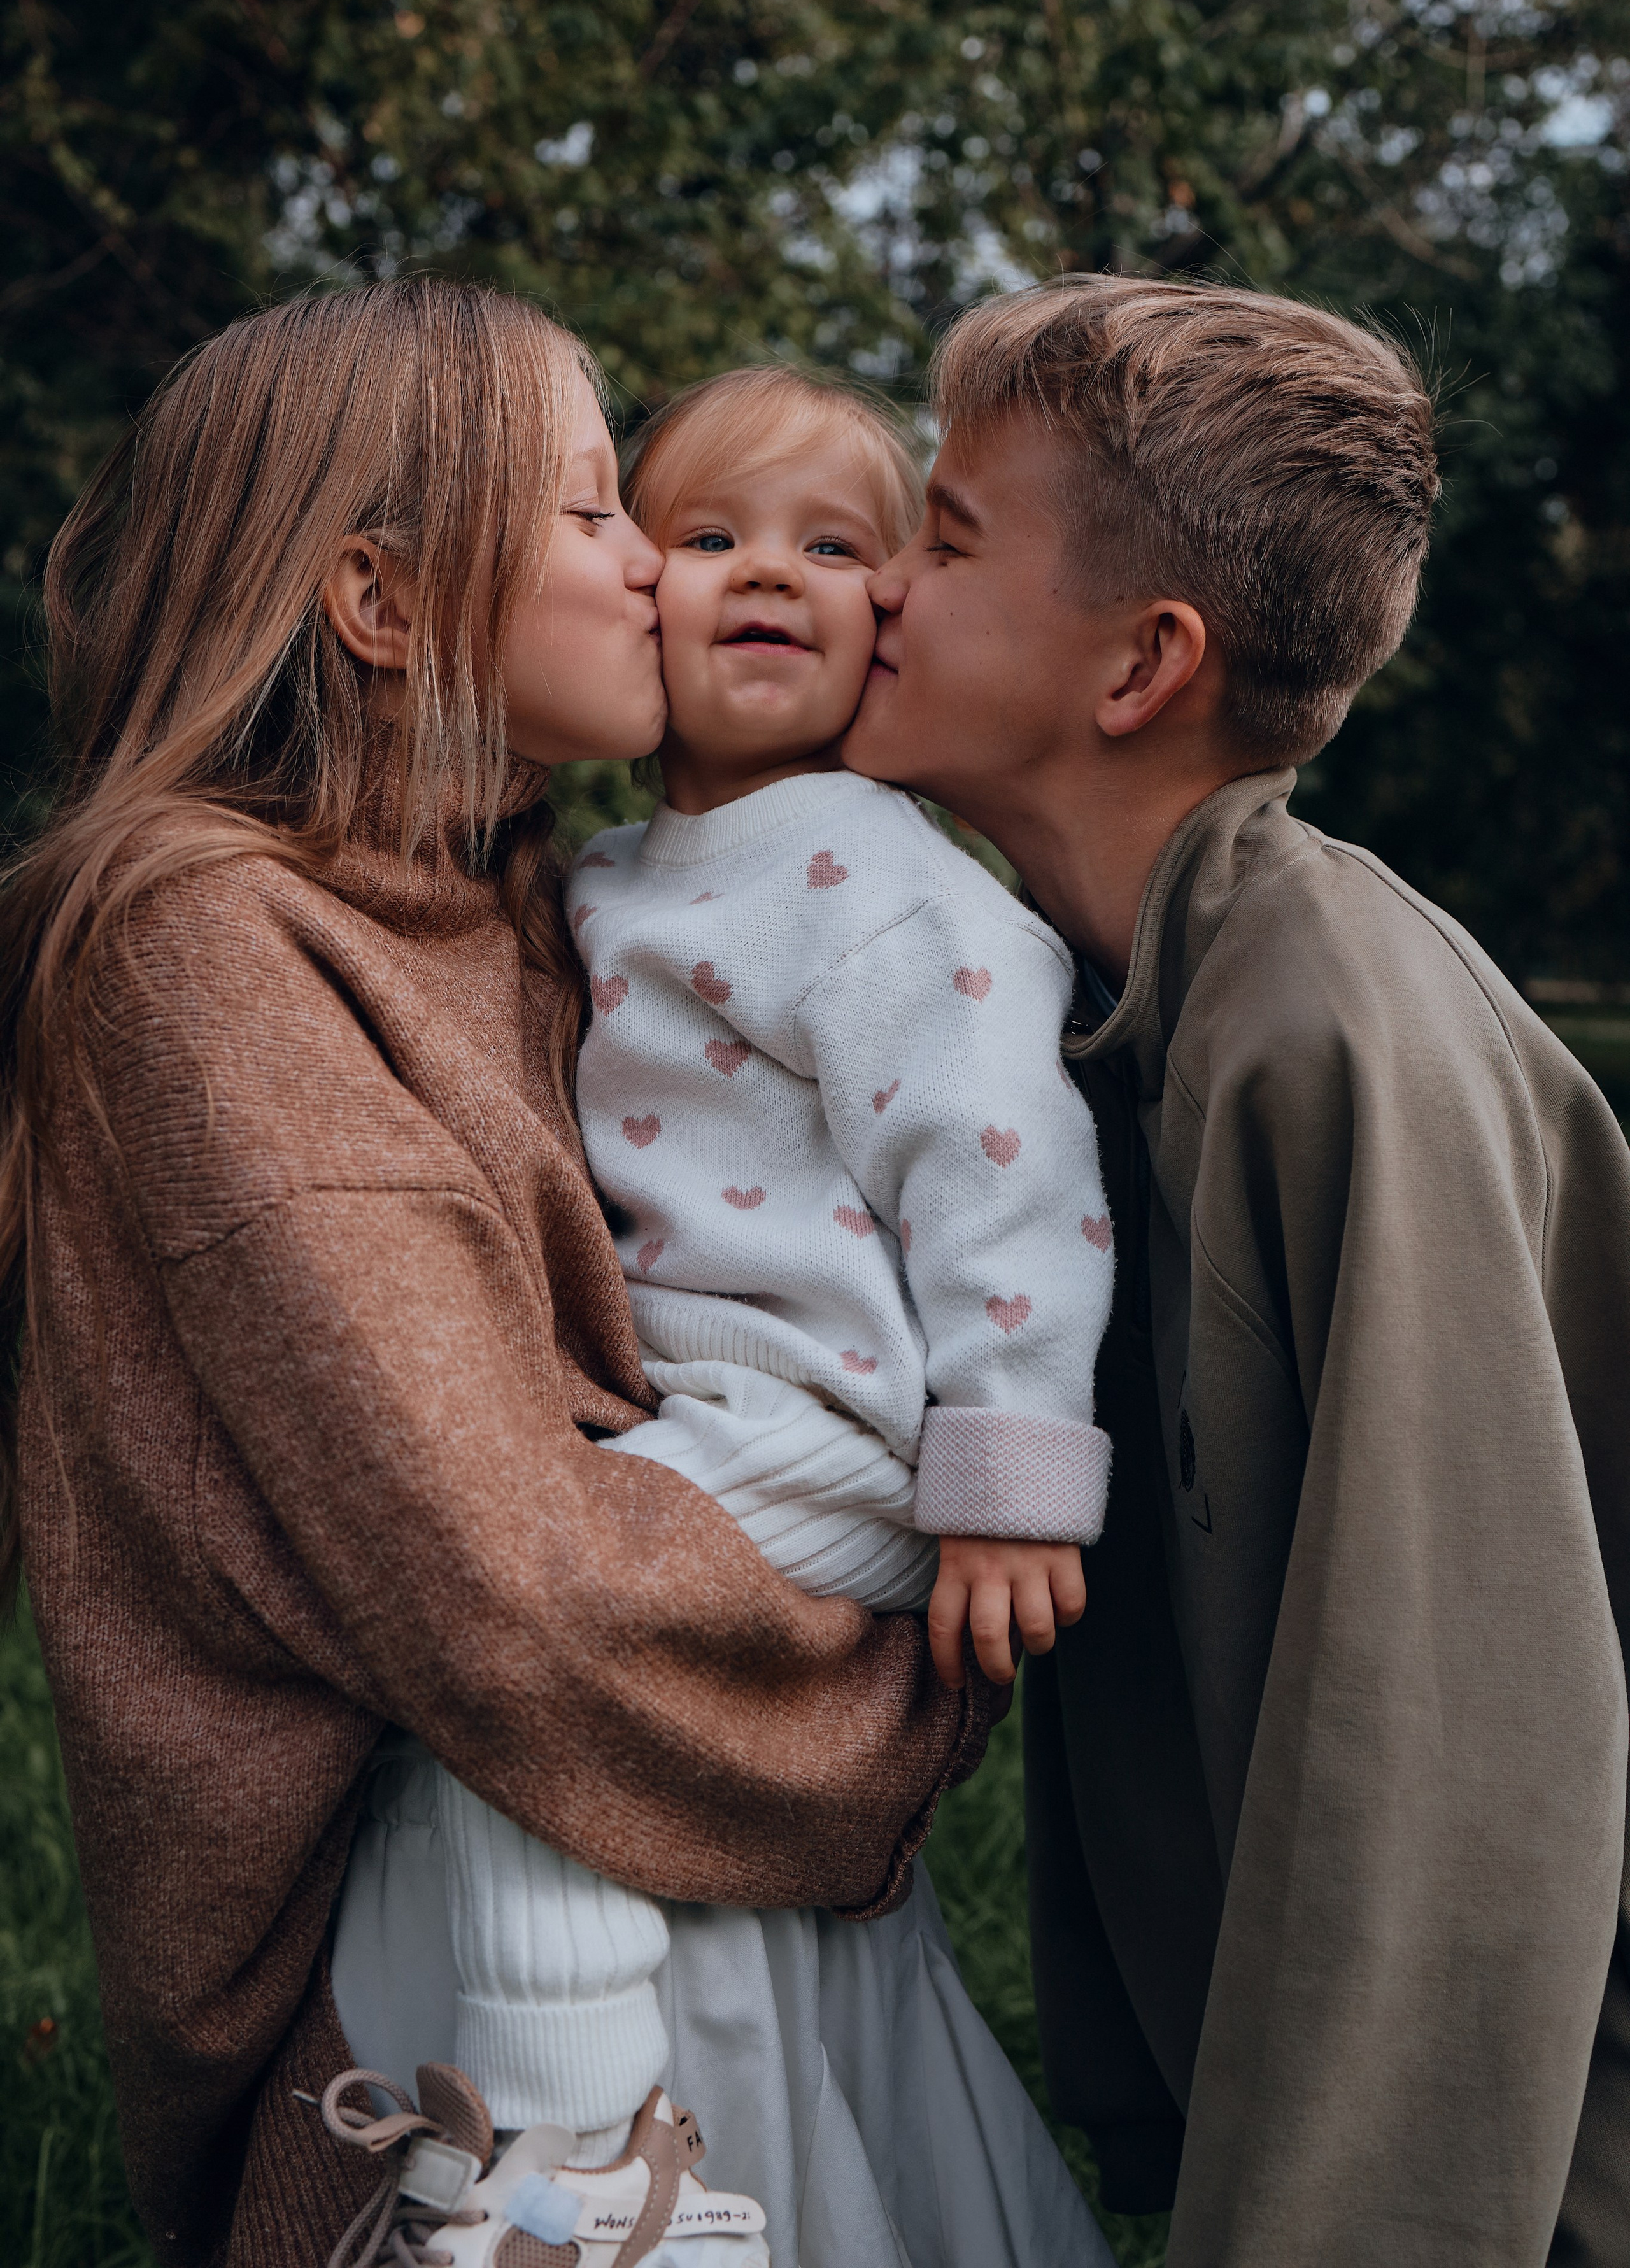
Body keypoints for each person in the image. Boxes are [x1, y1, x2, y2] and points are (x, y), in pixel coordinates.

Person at [0, 283, 996, 2268]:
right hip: (455, 1898)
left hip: (655, 1808)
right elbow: (500, 1590)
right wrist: (897, 1677)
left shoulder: (527, 890)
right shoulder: (205, 946)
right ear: (380, 605)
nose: (655, 569)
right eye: (593, 513)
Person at [842, 274, 1630, 2267]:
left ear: (1139, 667)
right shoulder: (1103, 1006)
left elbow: (1456, 1749)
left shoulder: (1329, 1024)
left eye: (939, 542)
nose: (874, 590)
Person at [337, 364, 1116, 2268]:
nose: (769, 573)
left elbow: (1003, 1176)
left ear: (885, 627)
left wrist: (1008, 1475)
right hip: (686, 1416)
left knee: (527, 1669)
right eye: (704, 536)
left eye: (836, 547)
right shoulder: (604, 880)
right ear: (637, 599)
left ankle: (579, 2170)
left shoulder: (882, 886)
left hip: (836, 1425)